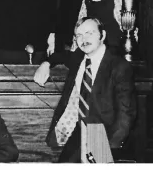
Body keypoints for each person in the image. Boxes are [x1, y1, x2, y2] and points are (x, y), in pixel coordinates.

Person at [34, 17, 136, 163]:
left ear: (103, 35)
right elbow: (60, 55)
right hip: (80, 130)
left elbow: (126, 115)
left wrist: (108, 150)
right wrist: (46, 63)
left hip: (105, 134)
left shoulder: (119, 66)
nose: (84, 39)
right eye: (79, 35)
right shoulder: (78, 58)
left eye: (89, 33)